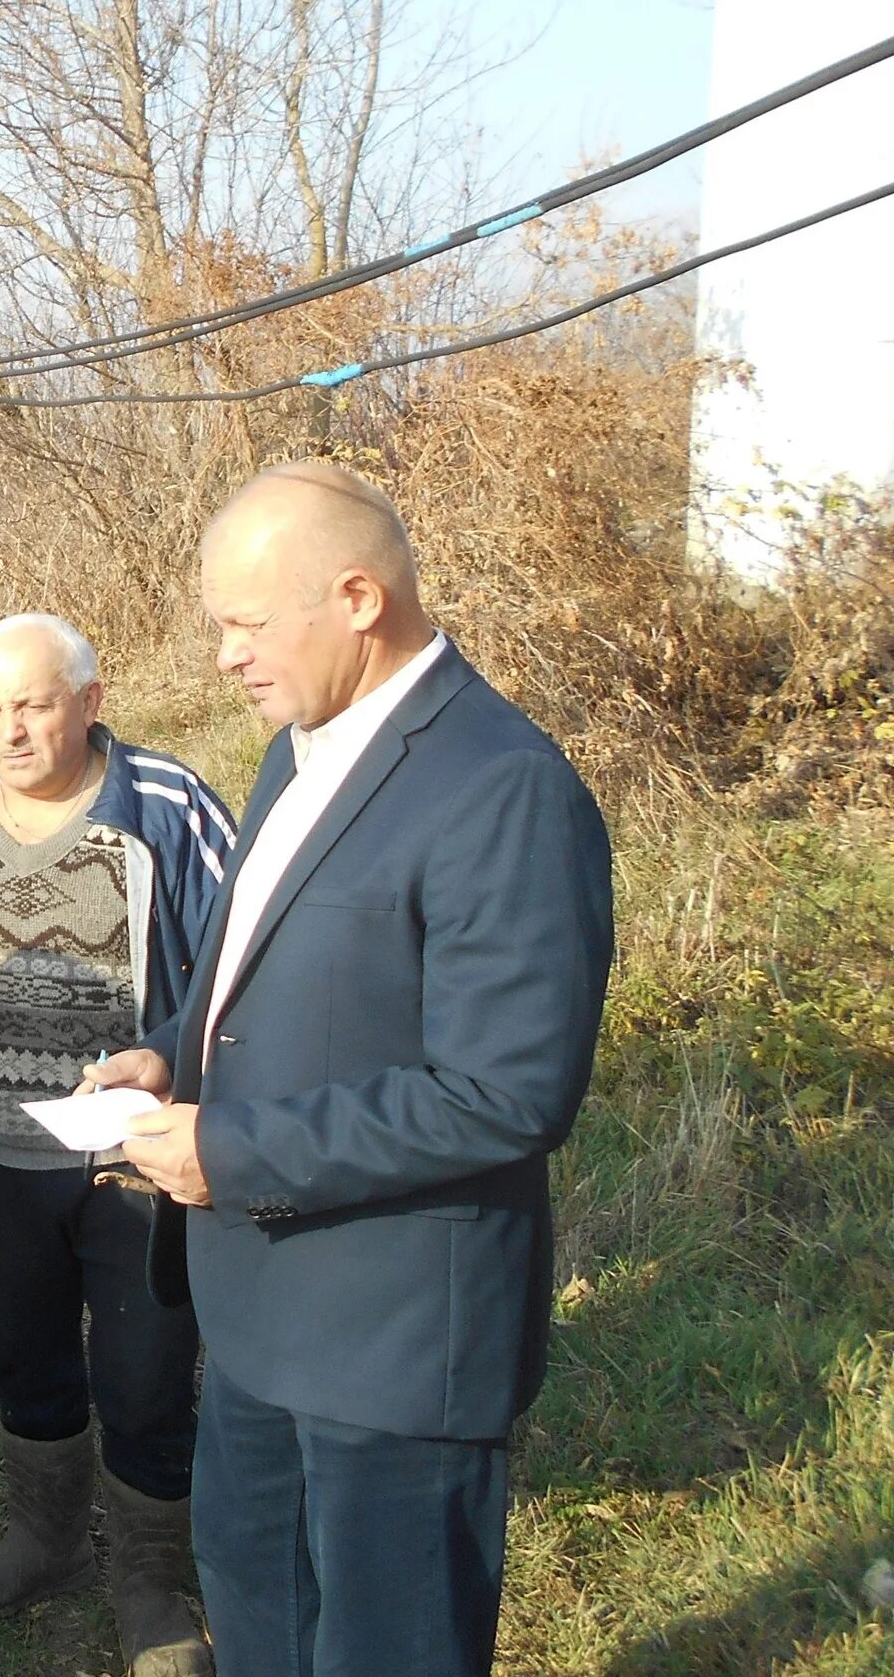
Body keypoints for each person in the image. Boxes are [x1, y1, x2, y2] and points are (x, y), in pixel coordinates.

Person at [95, 462, 615, 1677]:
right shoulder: (300, 746)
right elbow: (255, 973)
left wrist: (225, 1150)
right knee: (259, 1611)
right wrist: (164, 1054)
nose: (224, 654)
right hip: (260, 1311)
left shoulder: (503, 789)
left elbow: (506, 1092)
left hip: (390, 1348)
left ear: (357, 598)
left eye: (246, 624)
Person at [0, 613, 235, 1677]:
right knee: (23, 1354)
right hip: (5, 1151)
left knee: (144, 1371)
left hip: (134, 1160)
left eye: (33, 705)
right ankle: (43, 1544)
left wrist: (165, 1054)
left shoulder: (167, 805)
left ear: (88, 697)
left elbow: (236, 960)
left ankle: (150, 1585)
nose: (10, 732)